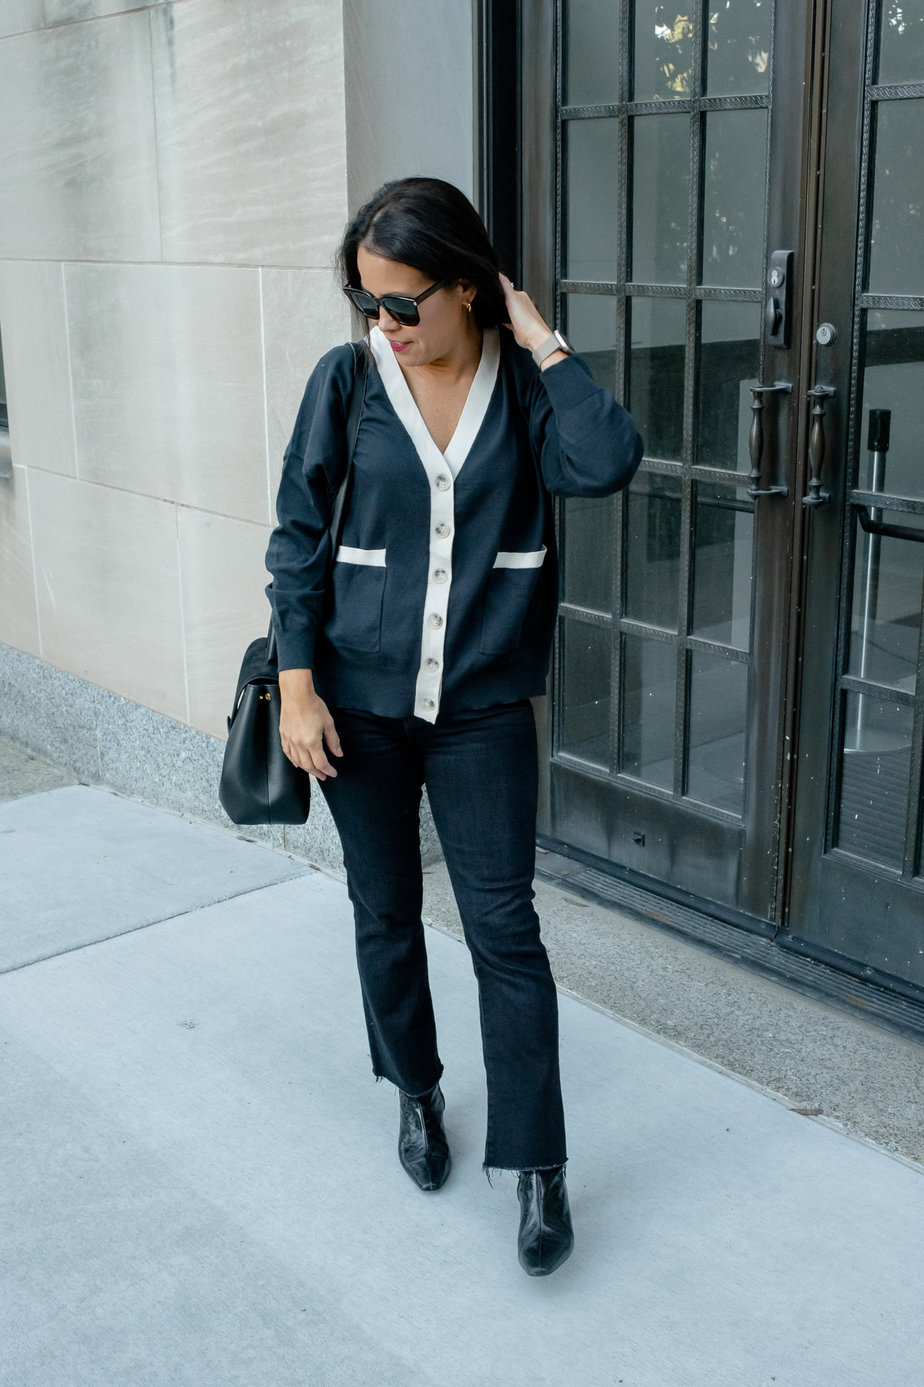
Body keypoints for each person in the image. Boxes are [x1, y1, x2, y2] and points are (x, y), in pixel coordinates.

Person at [265, 177, 643, 1277]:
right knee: (384, 907)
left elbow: (606, 460)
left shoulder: (525, 393)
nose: (383, 323)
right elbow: (296, 538)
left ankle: (537, 1166)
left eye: (403, 301)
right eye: (368, 301)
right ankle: (417, 1091)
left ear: (468, 287)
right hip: (357, 707)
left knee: (504, 934)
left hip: (480, 709)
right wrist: (297, 687)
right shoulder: (346, 384)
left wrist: (546, 341)